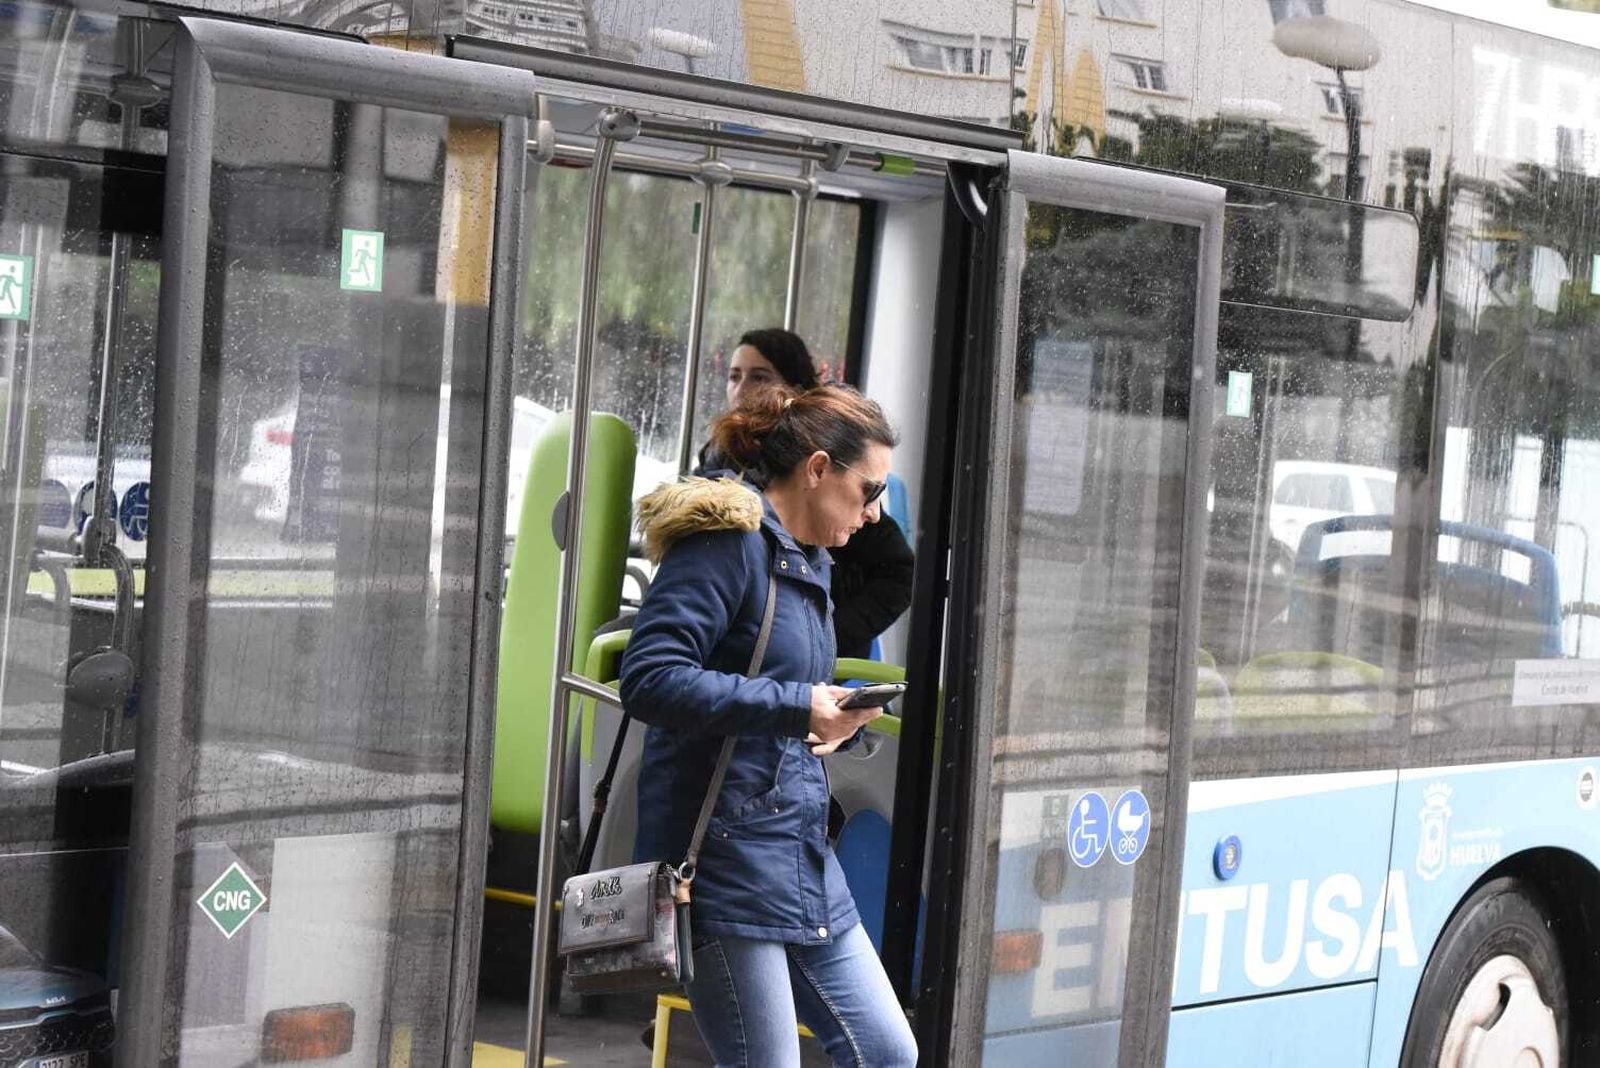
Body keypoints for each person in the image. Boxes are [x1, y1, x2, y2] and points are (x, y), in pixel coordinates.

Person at [621, 385, 919, 1068]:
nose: (874, 515)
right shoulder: (726, 545)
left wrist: (832, 713)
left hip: (796, 851)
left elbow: (777, 686)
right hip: (722, 865)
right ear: (817, 469)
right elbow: (650, 676)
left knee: (886, 1051)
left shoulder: (807, 555)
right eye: (868, 491)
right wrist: (794, 706)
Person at [698, 328, 914, 660]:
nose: (741, 390)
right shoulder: (717, 470)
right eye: (733, 376)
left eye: (759, 377)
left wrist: (825, 636)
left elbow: (899, 572)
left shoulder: (833, 505)